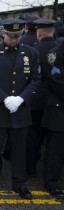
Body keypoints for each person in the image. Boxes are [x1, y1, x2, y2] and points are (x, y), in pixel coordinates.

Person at [0, 19, 41, 200]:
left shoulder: (31, 52)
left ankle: (19, 184)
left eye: (18, 36)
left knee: (20, 151)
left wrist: (21, 98)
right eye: (11, 36)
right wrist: (4, 98)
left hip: (20, 110)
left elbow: (36, 79)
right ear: (3, 34)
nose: (14, 40)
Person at [26, 19, 58, 177]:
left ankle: (30, 168)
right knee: (53, 140)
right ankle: (52, 170)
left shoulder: (34, 50)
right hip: (55, 99)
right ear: (53, 32)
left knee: (33, 135)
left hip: (36, 98)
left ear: (38, 33)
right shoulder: (59, 48)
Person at [41, 38, 64, 199]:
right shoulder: (54, 54)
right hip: (59, 108)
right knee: (56, 148)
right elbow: (57, 82)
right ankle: (51, 182)